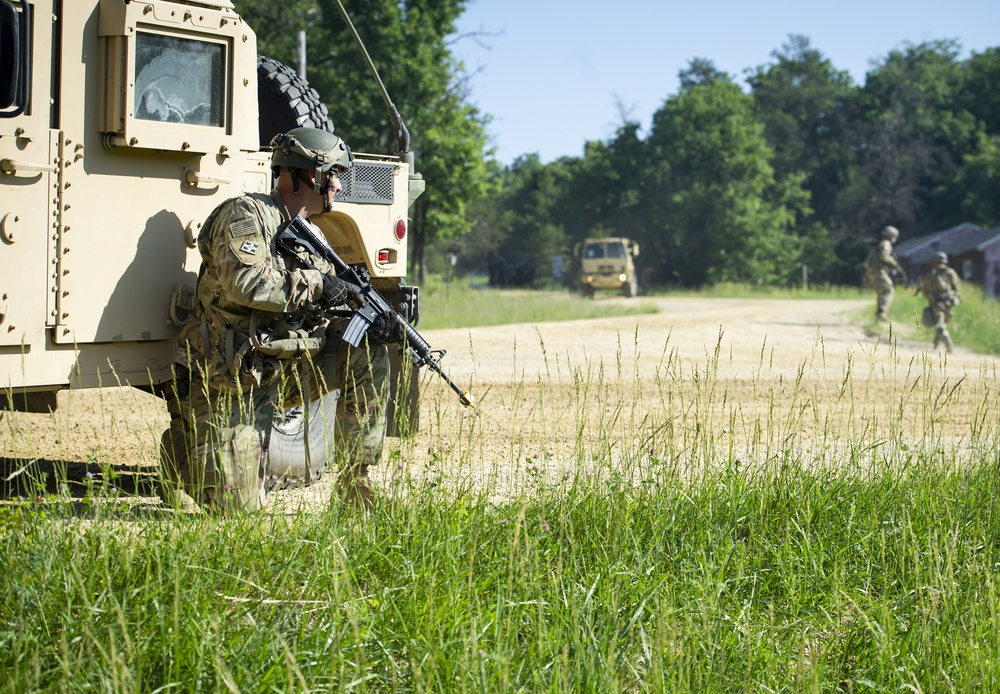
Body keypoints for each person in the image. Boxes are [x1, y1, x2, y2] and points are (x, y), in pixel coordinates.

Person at [158, 126, 392, 513]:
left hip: (283, 370)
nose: (337, 184)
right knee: (237, 512)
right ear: (309, 174)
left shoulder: (313, 237)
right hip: (232, 378)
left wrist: (370, 317)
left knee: (366, 343)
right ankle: (182, 452)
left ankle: (356, 481)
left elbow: (324, 304)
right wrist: (318, 284)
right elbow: (245, 284)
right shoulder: (245, 214)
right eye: (334, 174)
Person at [919, 251, 961, 353]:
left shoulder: (931, 274)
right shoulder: (950, 272)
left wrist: (930, 297)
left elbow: (925, 290)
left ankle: (949, 345)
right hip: (949, 302)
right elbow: (957, 287)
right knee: (941, 321)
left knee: (940, 323)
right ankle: (936, 344)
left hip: (937, 303)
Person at [864, 225, 901, 322]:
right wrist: (894, 263)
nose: (895, 239)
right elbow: (884, 256)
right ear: (891, 236)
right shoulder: (886, 244)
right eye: (894, 237)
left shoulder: (880, 243)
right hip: (878, 271)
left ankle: (879, 314)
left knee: (881, 291)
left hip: (873, 271)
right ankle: (881, 313)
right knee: (887, 290)